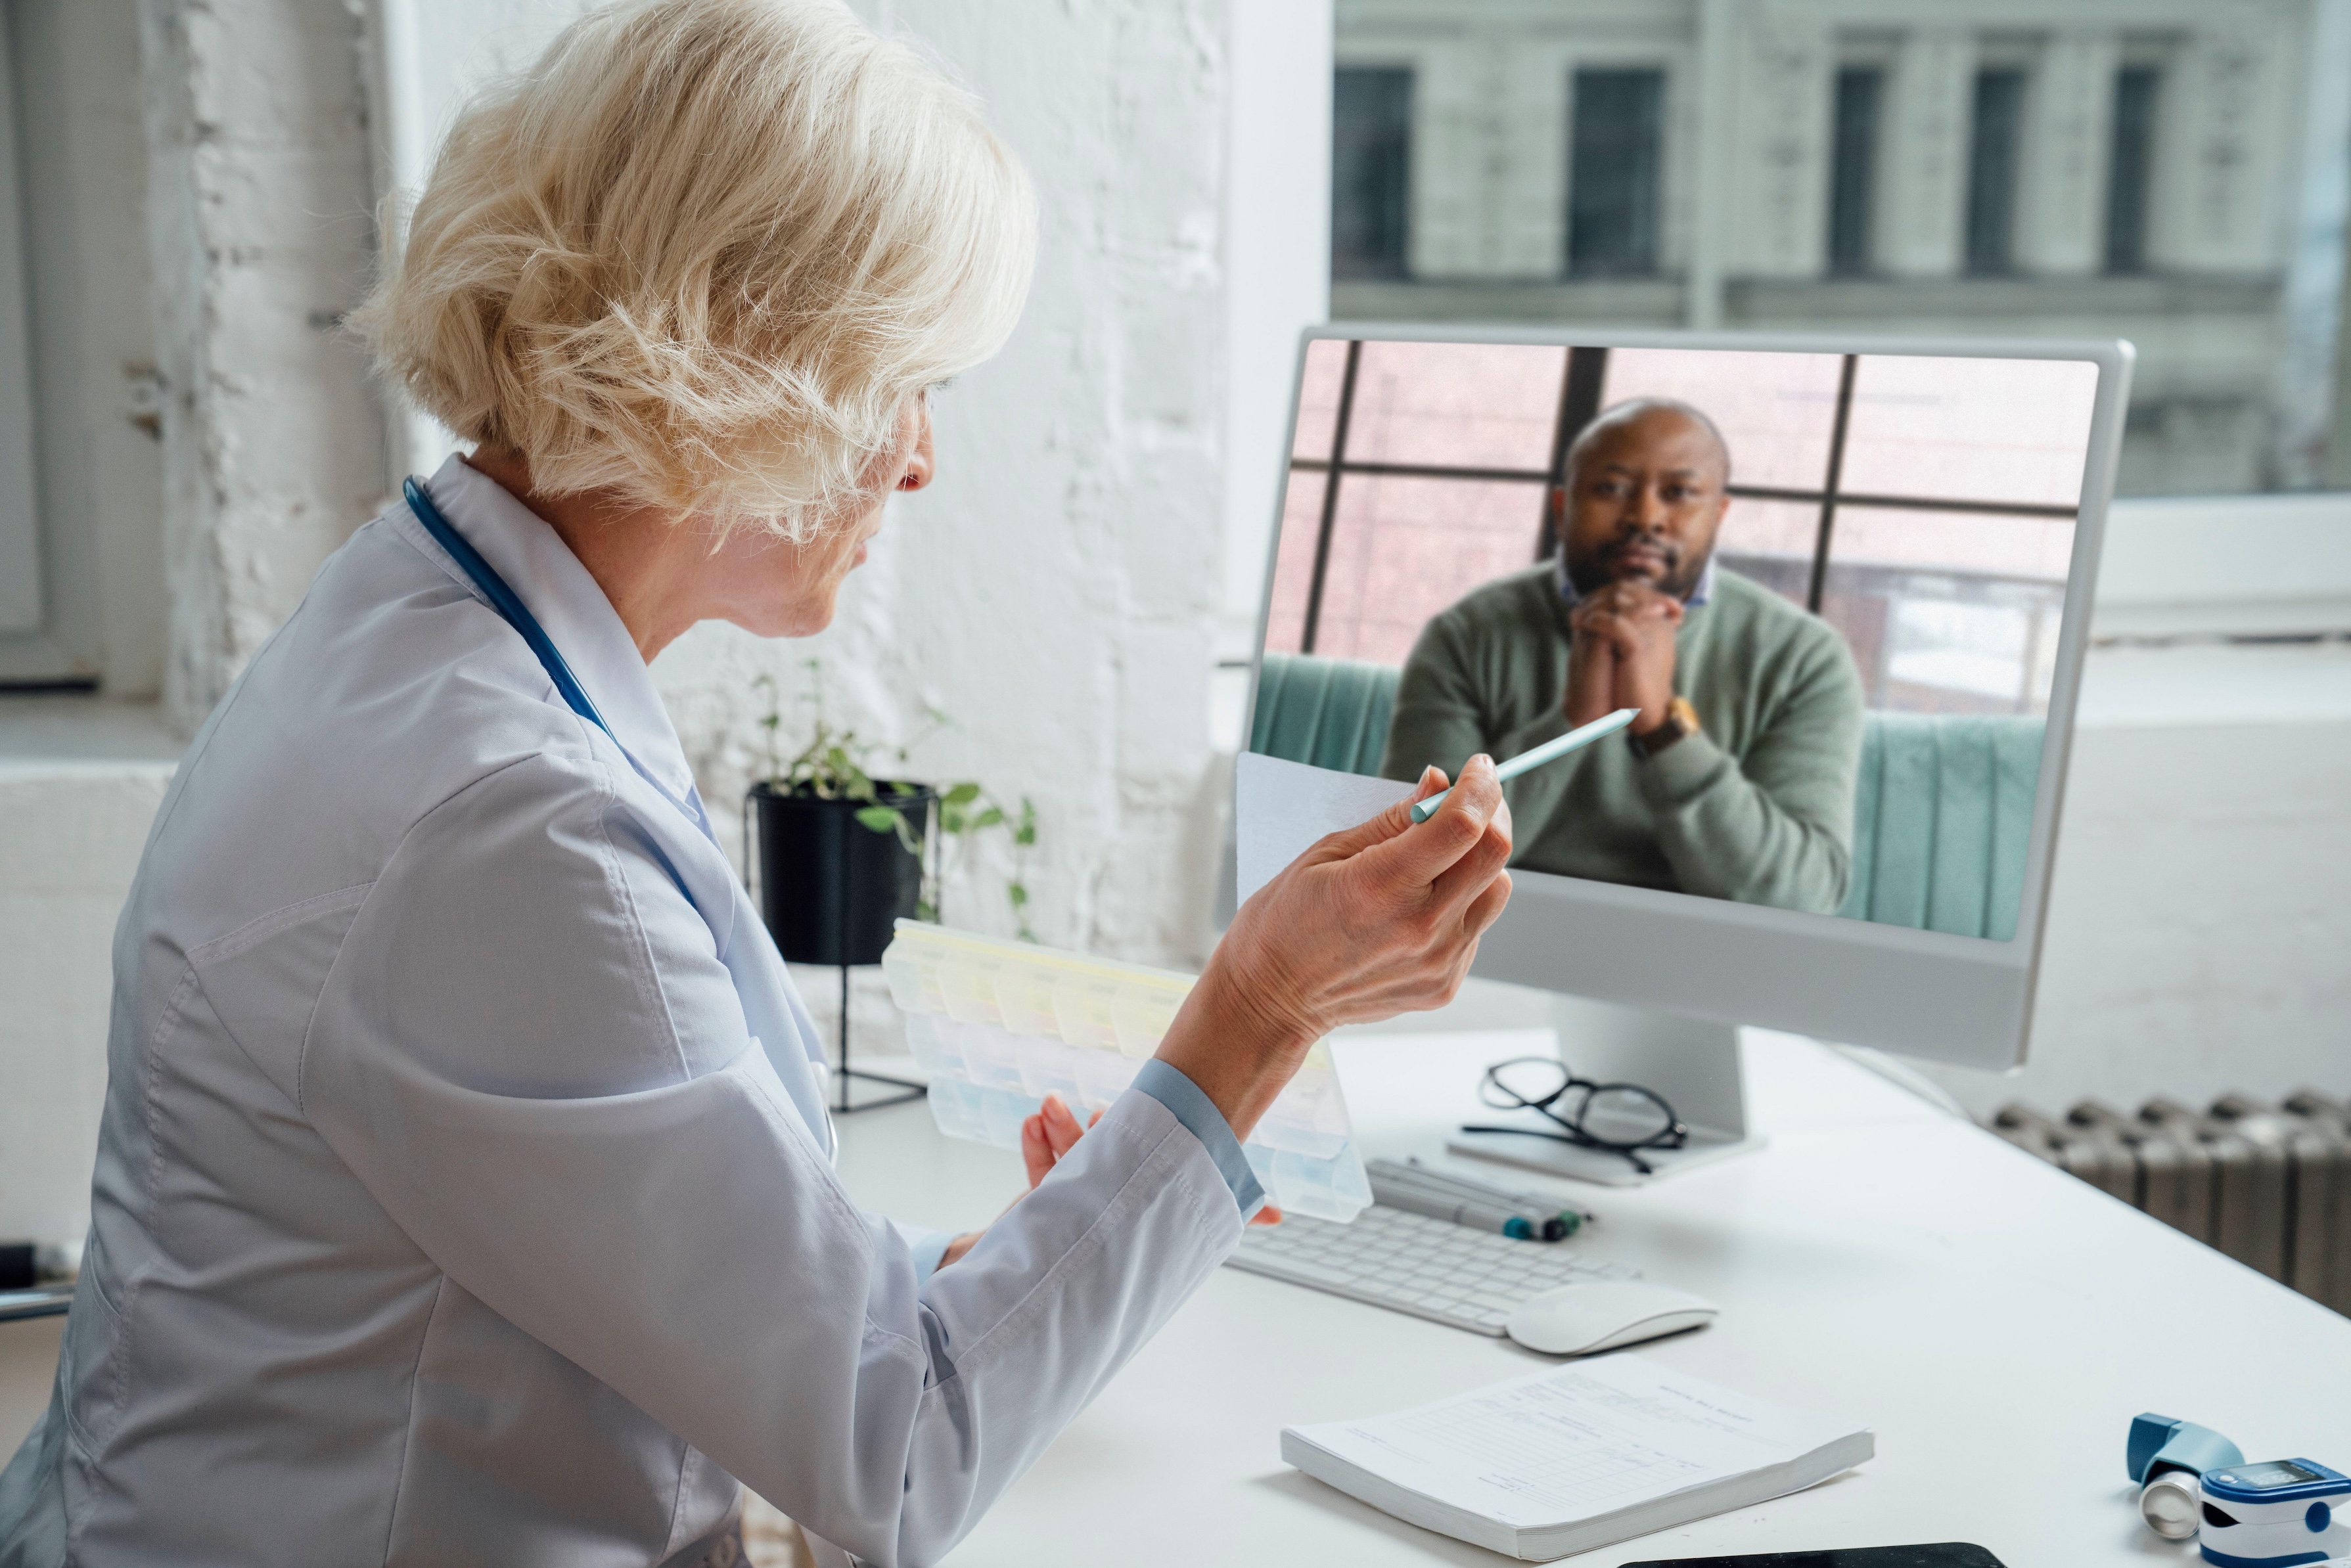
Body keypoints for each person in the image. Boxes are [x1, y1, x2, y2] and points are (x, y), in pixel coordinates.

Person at [0, 5, 1515, 1565]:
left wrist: (1005, 1260)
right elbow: (899, 1460)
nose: (920, 461)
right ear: (744, 369)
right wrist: (1262, 1013)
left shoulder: (409, 628)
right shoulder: (509, 830)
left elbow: (623, 1247)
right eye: (902, 385)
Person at [1380, 397, 1863, 914]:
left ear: (1718, 514)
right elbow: (1408, 858)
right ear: (1563, 508)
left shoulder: (1806, 658)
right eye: (1612, 489)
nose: (1646, 517)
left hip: (1702, 956)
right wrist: (1573, 722)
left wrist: (1663, 730)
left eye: (1679, 493)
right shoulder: (1466, 634)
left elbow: (1804, 896)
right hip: (1486, 930)